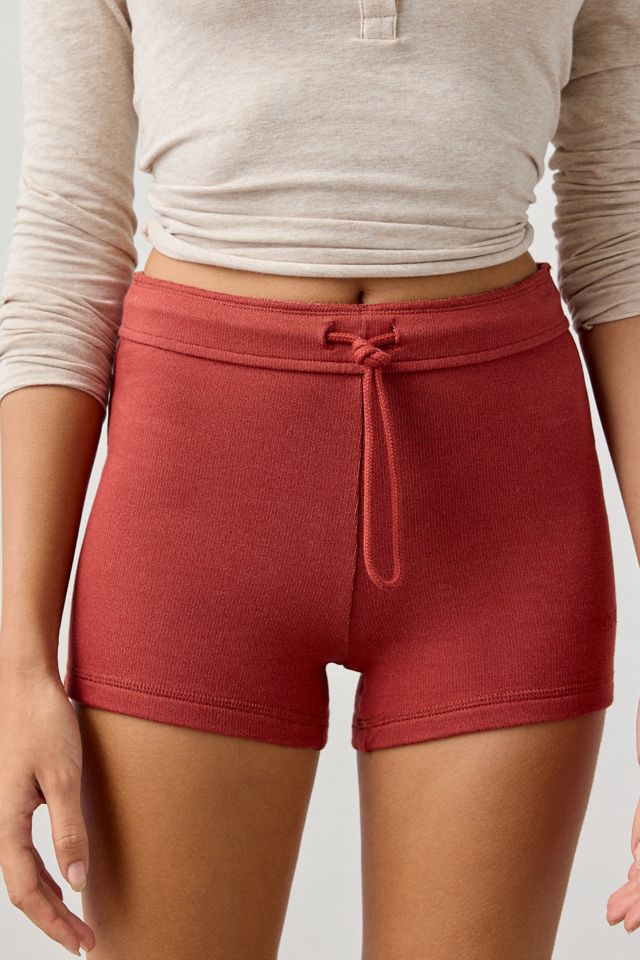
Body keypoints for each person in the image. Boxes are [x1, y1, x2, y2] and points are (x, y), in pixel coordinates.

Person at [0, 1, 638, 957]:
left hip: (502, 514)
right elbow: (66, 237)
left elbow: (624, 233)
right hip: (192, 502)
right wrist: (16, 660)